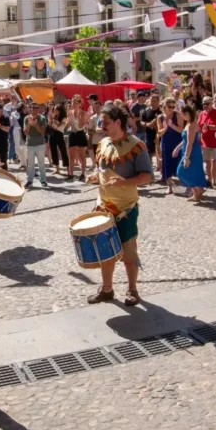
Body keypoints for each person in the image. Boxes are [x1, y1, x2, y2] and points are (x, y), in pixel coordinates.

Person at [86, 105, 153, 306]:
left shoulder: (136, 145)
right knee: (105, 249)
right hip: (104, 206)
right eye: (101, 122)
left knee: (128, 251)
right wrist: (95, 176)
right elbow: (102, 170)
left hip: (126, 209)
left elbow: (148, 176)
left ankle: (132, 290)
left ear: (118, 122)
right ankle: (107, 289)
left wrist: (125, 182)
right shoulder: (103, 144)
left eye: (105, 123)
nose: (102, 126)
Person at [174, 105, 206, 202]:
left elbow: (189, 143)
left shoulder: (192, 125)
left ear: (186, 114)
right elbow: (185, 140)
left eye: (182, 113)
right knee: (190, 172)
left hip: (192, 152)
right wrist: (177, 148)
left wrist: (186, 157)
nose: (181, 115)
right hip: (188, 150)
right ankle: (196, 195)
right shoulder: (188, 124)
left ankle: (199, 188)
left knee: (181, 172)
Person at [157, 96, 184, 194]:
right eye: (170, 107)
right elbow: (159, 133)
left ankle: (186, 185)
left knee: (179, 163)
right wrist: (165, 128)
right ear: (164, 106)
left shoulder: (177, 115)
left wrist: (172, 125)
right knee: (167, 164)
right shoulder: (160, 117)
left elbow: (181, 129)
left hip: (177, 141)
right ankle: (169, 186)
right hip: (166, 142)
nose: (172, 109)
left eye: (173, 107)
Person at [199, 98, 216, 188]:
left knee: (214, 161)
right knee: (207, 163)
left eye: (207, 104)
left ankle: (215, 182)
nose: (205, 106)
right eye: (204, 104)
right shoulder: (202, 113)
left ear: (212, 103)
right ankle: (209, 180)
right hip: (204, 142)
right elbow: (199, 126)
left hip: (215, 141)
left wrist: (208, 127)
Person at [65, 97, 90, 181]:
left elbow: (80, 126)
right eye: (72, 102)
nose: (74, 104)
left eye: (76, 103)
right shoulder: (69, 112)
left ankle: (83, 173)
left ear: (80, 104)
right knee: (71, 156)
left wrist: (78, 118)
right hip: (72, 133)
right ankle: (70, 174)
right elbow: (68, 125)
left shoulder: (84, 113)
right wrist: (68, 122)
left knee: (81, 155)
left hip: (80, 133)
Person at [23, 105, 48, 188]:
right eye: (33, 108)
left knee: (41, 163)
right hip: (30, 144)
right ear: (30, 109)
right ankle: (29, 180)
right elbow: (25, 132)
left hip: (40, 144)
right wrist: (29, 125)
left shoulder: (42, 118)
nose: (34, 109)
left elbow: (42, 132)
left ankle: (43, 180)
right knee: (30, 164)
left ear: (39, 109)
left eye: (36, 108)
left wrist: (36, 125)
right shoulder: (26, 118)